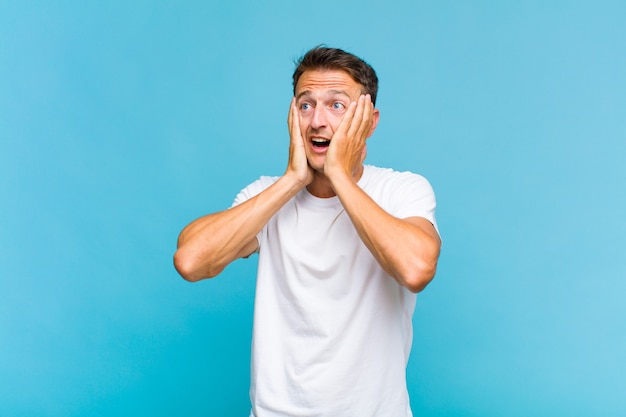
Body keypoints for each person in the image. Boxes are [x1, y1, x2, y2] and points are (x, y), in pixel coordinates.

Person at [174, 46, 441, 417]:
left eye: (336, 105)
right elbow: (190, 261)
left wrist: (339, 177)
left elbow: (416, 269)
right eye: (305, 105)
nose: (317, 121)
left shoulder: (402, 190)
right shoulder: (264, 195)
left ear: (370, 120)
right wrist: (292, 179)